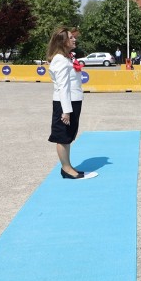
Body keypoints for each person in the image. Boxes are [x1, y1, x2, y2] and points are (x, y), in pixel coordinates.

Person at [46, 27, 95, 180]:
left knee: (68, 136)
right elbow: (63, 87)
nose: (74, 39)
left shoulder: (67, 58)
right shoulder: (60, 60)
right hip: (64, 103)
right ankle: (66, 169)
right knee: (62, 136)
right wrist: (66, 110)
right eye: (71, 37)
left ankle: (68, 166)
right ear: (62, 42)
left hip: (73, 100)